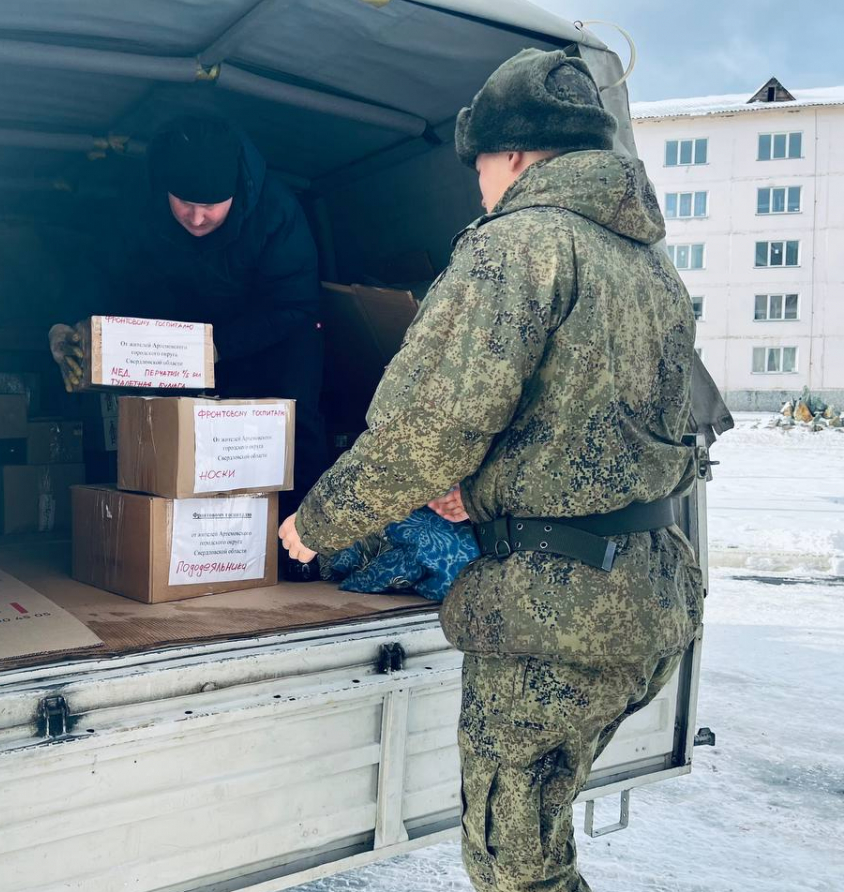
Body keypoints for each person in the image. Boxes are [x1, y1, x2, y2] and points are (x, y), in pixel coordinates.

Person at [278, 48, 702, 890]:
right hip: (651, 602)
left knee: (515, 869)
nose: (478, 185)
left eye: (478, 166)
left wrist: (313, 524)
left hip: (557, 617)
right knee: (541, 848)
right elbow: (629, 429)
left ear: (511, 154)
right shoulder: (649, 263)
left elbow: (425, 430)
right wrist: (485, 493)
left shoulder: (517, 245)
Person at [49, 115, 327, 580]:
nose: (196, 217)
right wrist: (63, 325)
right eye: (184, 203)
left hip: (266, 337)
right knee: (158, 437)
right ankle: (158, 555)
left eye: (212, 205)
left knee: (293, 433)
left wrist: (218, 349)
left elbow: (296, 304)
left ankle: (297, 553)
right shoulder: (137, 206)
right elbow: (99, 272)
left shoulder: (276, 212)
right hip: (172, 341)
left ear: (237, 190)